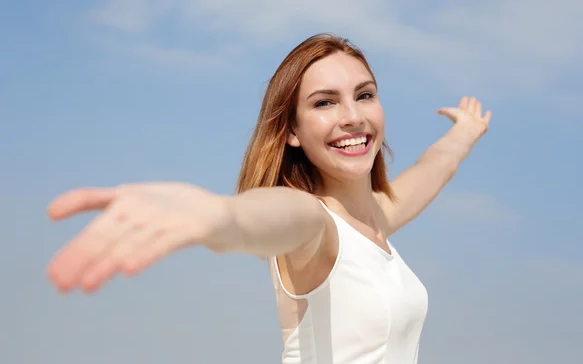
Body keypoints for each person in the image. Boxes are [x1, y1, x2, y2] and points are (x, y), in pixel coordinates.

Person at [47, 33, 491, 363]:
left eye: (364, 95)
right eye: (324, 103)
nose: (353, 117)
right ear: (292, 131)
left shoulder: (373, 218)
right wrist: (220, 215)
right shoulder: (315, 225)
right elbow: (274, 215)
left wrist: (465, 133)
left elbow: (431, 170)